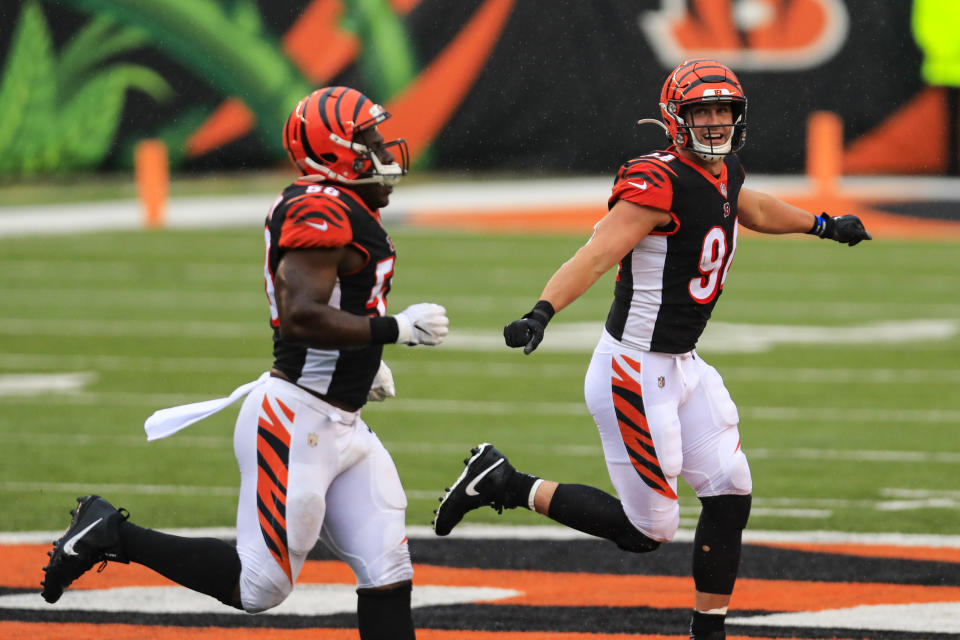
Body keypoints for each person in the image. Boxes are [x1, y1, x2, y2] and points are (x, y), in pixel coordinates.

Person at [431, 59, 871, 640]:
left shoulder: (723, 168)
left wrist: (822, 223)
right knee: (649, 531)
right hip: (634, 371)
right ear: (675, 117)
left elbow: (751, 206)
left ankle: (708, 632)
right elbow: (597, 253)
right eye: (702, 111)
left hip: (683, 364)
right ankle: (505, 482)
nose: (714, 123)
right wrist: (542, 311)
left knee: (731, 490)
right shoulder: (656, 180)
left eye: (722, 111)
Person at [41, 86, 450, 640]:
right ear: (335, 153)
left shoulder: (339, 203)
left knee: (388, 569)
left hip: (340, 423)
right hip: (296, 422)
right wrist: (393, 330)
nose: (383, 153)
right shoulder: (319, 207)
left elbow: (334, 303)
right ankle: (112, 533)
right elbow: (300, 314)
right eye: (369, 142)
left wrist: (361, 359)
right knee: (260, 587)